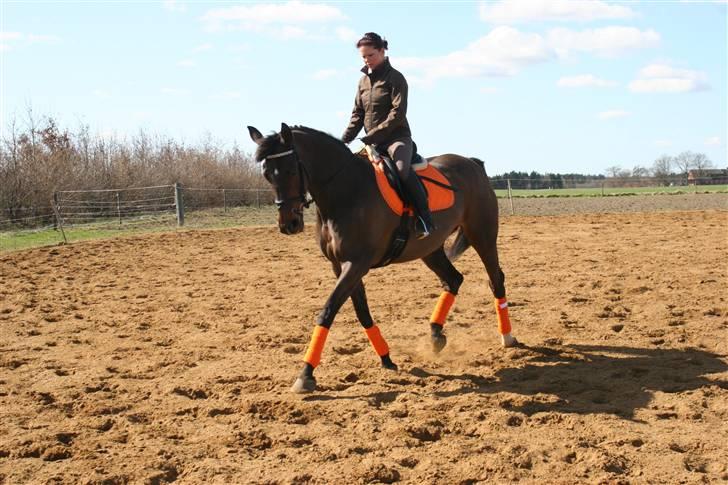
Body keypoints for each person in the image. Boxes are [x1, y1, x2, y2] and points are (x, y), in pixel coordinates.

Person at [341, 32, 435, 239]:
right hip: (373, 142)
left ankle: (425, 219)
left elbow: (397, 114)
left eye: (370, 55)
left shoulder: (396, 78)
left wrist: (372, 135)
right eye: (363, 57)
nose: (367, 60)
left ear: (382, 51)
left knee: (402, 170)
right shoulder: (362, 82)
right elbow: (357, 114)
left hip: (397, 138)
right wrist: (343, 140)